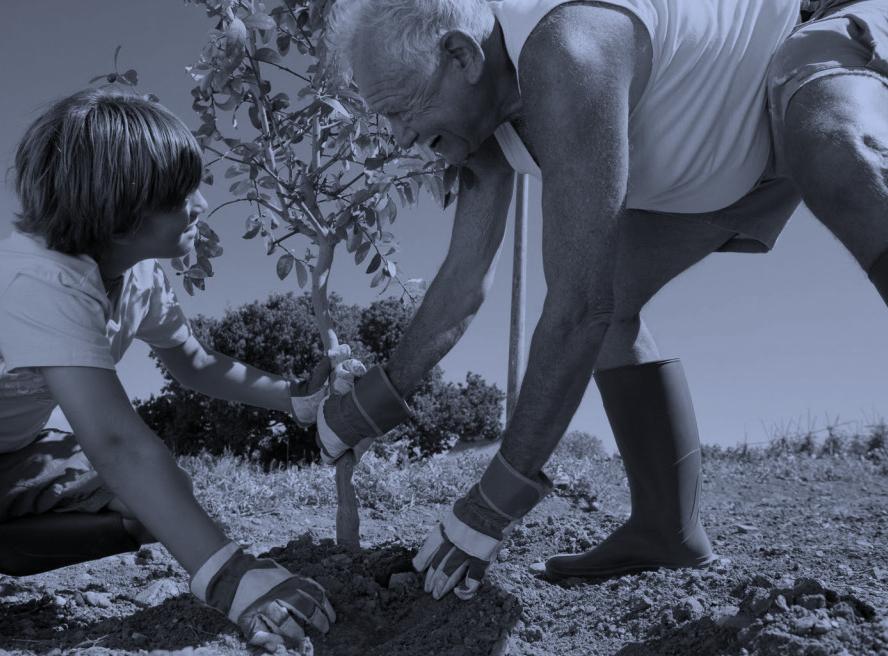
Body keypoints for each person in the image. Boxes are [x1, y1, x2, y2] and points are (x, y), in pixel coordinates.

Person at [314, 0, 888, 601]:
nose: (401, 135)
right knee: (614, 306)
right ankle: (667, 530)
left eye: (406, 107)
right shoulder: (480, 133)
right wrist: (369, 403)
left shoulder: (568, 47)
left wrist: (491, 506)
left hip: (809, 40)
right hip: (736, 165)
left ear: (462, 55)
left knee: (830, 139)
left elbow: (574, 308)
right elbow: (462, 281)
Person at [0, 88, 362, 651]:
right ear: (122, 220)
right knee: (143, 482)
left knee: (156, 503)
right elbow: (116, 443)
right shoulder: (38, 280)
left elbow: (192, 362)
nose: (200, 205)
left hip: (13, 454)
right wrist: (228, 576)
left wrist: (296, 400)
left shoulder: (138, 277)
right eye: (180, 197)